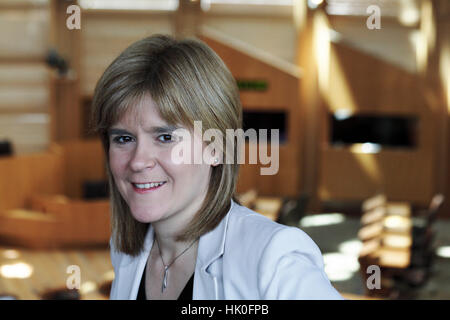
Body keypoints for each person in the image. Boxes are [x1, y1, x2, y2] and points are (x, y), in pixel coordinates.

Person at [91, 34, 343, 300]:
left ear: (216, 147)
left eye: (165, 137)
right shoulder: (126, 250)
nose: (138, 161)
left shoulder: (272, 258)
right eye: (123, 138)